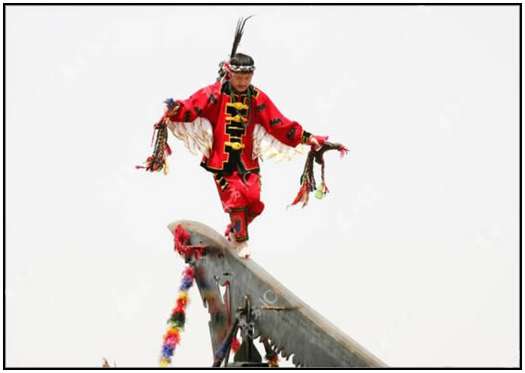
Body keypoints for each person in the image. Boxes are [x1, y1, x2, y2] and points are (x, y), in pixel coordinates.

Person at [144, 21, 327, 259]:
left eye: (247, 77)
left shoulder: (257, 97)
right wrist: (173, 111)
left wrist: (307, 138)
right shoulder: (215, 94)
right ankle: (241, 240)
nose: (243, 82)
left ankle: (235, 233)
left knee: (254, 200)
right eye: (239, 77)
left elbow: (277, 123)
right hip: (221, 161)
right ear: (230, 74)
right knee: (236, 198)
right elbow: (193, 106)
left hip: (248, 161)